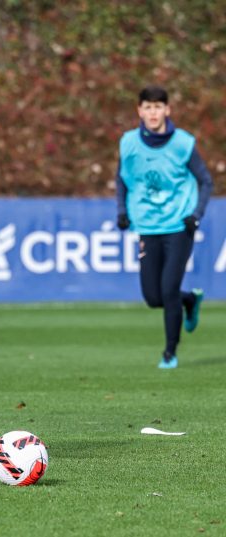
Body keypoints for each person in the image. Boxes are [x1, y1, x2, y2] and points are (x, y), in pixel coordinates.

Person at [116, 85, 212, 369]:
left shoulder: (183, 143)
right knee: (153, 297)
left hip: (179, 226)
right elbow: (121, 179)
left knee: (169, 290)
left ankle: (169, 352)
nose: (153, 112)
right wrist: (122, 211)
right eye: (147, 107)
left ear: (167, 110)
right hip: (147, 226)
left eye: (158, 107)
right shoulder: (129, 143)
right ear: (139, 111)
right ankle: (190, 301)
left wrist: (196, 214)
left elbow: (206, 181)